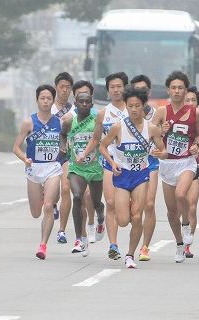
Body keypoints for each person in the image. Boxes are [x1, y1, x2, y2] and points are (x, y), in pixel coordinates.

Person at [100, 86, 167, 268]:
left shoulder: (152, 129)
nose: (134, 109)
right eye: (131, 106)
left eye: (138, 105)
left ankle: (130, 254)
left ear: (143, 106)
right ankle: (128, 207)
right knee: (123, 220)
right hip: (122, 176)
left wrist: (159, 153)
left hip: (141, 175)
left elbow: (164, 151)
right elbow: (103, 147)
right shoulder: (117, 127)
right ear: (126, 107)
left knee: (137, 216)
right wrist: (112, 163)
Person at [152, 71, 199, 263]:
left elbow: (198, 134)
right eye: (173, 87)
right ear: (168, 90)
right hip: (167, 164)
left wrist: (196, 144)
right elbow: (148, 132)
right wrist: (159, 130)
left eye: (180, 88)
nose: (177, 91)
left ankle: (187, 224)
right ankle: (180, 243)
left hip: (186, 162)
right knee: (171, 212)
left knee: (182, 195)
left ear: (185, 90)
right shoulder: (162, 112)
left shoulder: (194, 112)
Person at [81, 72, 129, 260]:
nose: (116, 90)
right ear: (108, 90)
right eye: (112, 87)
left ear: (125, 87)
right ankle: (114, 246)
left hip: (132, 166)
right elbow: (96, 138)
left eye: (119, 86)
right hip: (110, 163)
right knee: (110, 203)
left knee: (130, 212)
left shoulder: (134, 109)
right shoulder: (103, 114)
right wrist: (85, 154)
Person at [13, 85, 62, 259]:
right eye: (42, 98)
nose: (46, 101)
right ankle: (45, 196)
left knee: (48, 207)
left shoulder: (59, 122)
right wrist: (25, 159)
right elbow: (16, 147)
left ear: (53, 100)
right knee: (36, 213)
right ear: (37, 100)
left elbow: (64, 142)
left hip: (52, 168)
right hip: (34, 169)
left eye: (49, 98)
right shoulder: (29, 122)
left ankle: (43, 245)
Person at [59, 85, 104, 257]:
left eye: (87, 101)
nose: (84, 104)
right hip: (76, 167)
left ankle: (100, 217)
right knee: (77, 197)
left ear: (92, 103)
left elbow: (97, 139)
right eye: (81, 101)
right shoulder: (70, 121)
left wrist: (86, 153)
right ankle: (80, 238)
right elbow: (62, 135)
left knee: (96, 202)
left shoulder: (96, 120)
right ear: (75, 103)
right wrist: (63, 147)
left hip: (94, 167)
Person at [130, 75, 161, 262]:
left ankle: (145, 247)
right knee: (134, 209)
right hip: (130, 164)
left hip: (151, 162)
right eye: (136, 89)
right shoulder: (128, 113)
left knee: (149, 204)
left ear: (148, 92)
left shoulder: (157, 114)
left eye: (143, 90)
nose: (140, 93)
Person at [51, 72, 74, 244]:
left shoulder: (75, 109)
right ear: (56, 87)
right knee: (53, 192)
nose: (65, 90)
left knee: (66, 189)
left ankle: (61, 230)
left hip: (66, 153)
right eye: (62, 87)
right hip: (49, 155)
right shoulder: (47, 107)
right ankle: (51, 203)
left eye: (68, 87)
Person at [183, 85, 199, 258]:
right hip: (175, 168)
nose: (190, 103)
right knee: (177, 206)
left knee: (192, 206)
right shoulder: (172, 120)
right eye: (186, 100)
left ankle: (187, 244)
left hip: (193, 167)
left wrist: (198, 147)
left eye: (193, 100)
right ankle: (181, 235)